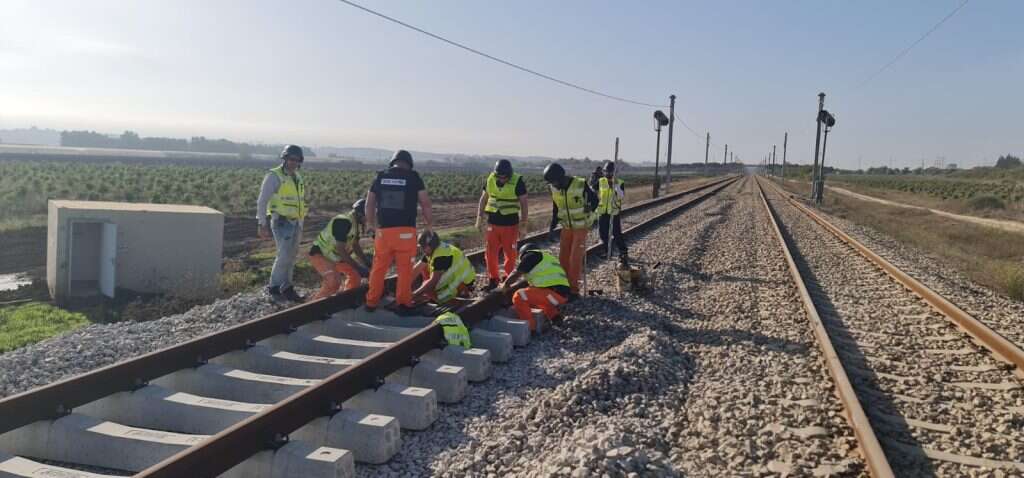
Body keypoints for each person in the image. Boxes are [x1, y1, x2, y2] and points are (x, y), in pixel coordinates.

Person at [364, 150, 433, 314]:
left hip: (383, 233)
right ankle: (403, 303)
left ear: (392, 162)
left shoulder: (380, 177)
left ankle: (371, 302)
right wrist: (429, 225)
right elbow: (425, 204)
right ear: (409, 164)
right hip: (406, 233)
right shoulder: (414, 177)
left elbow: (369, 204)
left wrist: (370, 224)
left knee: (379, 268)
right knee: (404, 270)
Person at [257, 144, 307, 303]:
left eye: (297, 160)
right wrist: (262, 222)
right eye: (290, 159)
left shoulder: (297, 177)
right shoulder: (274, 176)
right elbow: (262, 200)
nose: (293, 162)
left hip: (296, 222)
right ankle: (274, 288)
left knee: (291, 257)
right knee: (283, 256)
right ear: (284, 159)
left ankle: (287, 287)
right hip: (281, 222)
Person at [543, 163, 598, 300]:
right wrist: (552, 227)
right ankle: (563, 285)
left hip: (580, 226)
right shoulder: (554, 188)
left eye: (554, 182)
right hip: (566, 226)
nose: (553, 185)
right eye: (551, 183)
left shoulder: (579, 184)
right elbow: (556, 209)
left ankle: (573, 290)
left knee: (575, 258)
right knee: (563, 257)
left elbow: (595, 200)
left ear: (561, 178)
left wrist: (589, 208)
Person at [475, 159, 529, 291]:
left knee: (510, 254)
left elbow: (524, 203)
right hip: (492, 223)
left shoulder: (518, 181)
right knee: (490, 253)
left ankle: (507, 279)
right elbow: (484, 198)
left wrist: (524, 223)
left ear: (509, 175)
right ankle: (493, 279)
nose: (501, 179)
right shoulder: (491, 179)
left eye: (504, 177)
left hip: (510, 224)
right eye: (499, 176)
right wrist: (479, 217)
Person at [307, 199, 371, 301]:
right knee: (334, 281)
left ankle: (346, 300)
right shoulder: (343, 221)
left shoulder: (354, 224)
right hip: (320, 255)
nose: (369, 219)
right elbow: (341, 250)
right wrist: (358, 267)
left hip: (335, 257)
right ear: (360, 214)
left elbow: (355, 246)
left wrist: (366, 262)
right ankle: (315, 307)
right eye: (368, 216)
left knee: (355, 276)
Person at [501, 242, 570, 332]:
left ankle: (530, 329)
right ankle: (555, 317)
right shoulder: (545, 257)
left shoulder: (530, 255)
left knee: (519, 296)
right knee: (535, 294)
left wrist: (505, 285)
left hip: (553, 294)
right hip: (561, 295)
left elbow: (517, 273)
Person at [411, 231, 475, 306]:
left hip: (463, 281)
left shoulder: (441, 256)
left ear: (430, 245)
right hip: (456, 276)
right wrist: (403, 285)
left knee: (428, 289)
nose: (421, 250)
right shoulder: (433, 250)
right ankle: (436, 296)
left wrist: (414, 294)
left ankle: (459, 294)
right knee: (424, 270)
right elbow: (417, 269)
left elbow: (433, 281)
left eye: (423, 247)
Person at [597, 160, 628, 264]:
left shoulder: (620, 182)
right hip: (602, 212)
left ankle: (623, 252)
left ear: (614, 172)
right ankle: (607, 252)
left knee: (616, 234)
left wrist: (615, 186)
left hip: (614, 212)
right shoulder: (601, 181)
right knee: (603, 234)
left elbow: (621, 196)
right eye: (606, 172)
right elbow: (593, 191)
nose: (608, 174)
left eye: (610, 172)